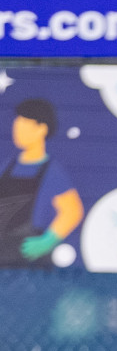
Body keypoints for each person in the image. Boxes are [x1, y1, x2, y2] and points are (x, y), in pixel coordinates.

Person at [0, 99, 82, 266]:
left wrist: (47, 241)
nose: (17, 129)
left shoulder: (51, 172)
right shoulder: (7, 165)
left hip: (28, 255)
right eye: (17, 124)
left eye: (24, 124)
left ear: (41, 129)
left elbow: (72, 211)